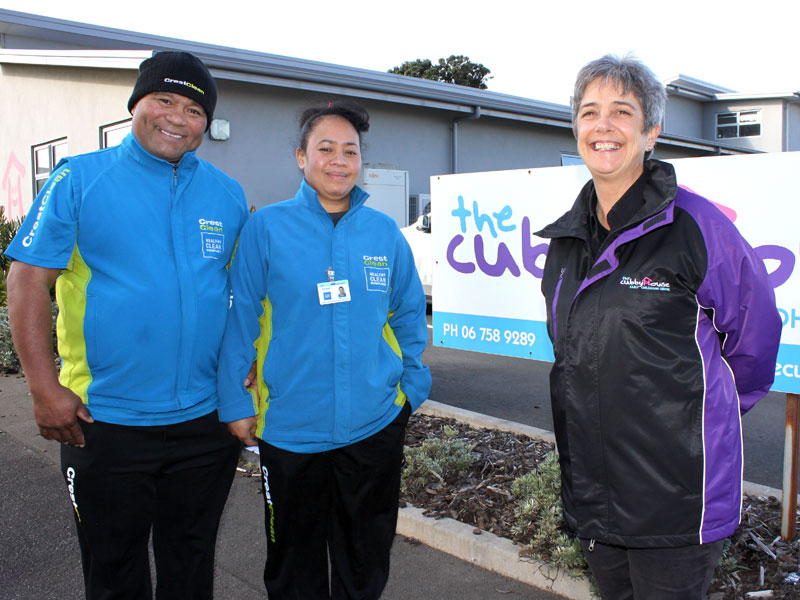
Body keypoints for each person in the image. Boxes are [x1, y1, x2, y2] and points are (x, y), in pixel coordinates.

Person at [535, 54, 781, 600]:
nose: (603, 126)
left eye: (622, 111)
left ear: (651, 131)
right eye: (590, 111)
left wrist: (701, 415)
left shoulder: (698, 226)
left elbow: (754, 340)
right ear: (575, 126)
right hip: (596, 491)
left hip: (677, 496)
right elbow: (573, 354)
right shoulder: (566, 242)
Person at [5, 51, 249, 599]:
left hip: (203, 426)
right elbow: (25, 281)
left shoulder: (227, 194)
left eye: (193, 109)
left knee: (191, 570)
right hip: (106, 423)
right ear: (136, 104)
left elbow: (242, 295)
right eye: (164, 100)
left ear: (205, 124)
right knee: (115, 575)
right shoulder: (79, 178)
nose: (177, 117)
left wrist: (245, 369)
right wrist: (45, 390)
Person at [217, 101, 431, 600]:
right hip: (292, 430)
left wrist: (411, 387)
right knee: (294, 566)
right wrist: (235, 402)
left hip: (374, 426)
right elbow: (240, 319)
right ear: (301, 157)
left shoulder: (383, 232)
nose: (339, 160)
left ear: (361, 161)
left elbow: (406, 312)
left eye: (350, 150)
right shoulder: (266, 228)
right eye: (326, 148)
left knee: (366, 561)